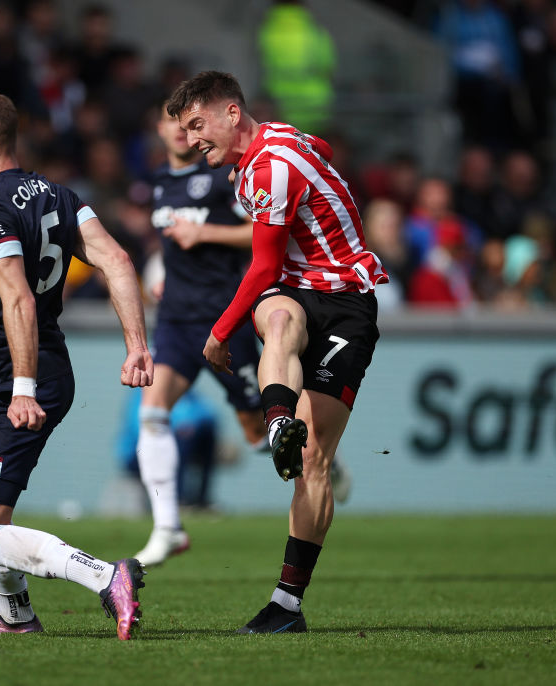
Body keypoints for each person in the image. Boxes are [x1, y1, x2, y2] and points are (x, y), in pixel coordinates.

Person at [166, 71, 387, 633]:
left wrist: (218, 333)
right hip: (296, 292)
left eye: (198, 124)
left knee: (313, 463)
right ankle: (279, 422)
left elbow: (262, 264)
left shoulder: (269, 165)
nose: (192, 140)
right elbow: (324, 149)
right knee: (280, 314)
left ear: (232, 113)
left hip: (347, 305)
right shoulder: (277, 147)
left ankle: (287, 606)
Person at [0, 90, 154, 640]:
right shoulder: (60, 196)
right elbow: (118, 260)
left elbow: (18, 299)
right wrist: (136, 344)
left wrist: (20, 388)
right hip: (43, 369)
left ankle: (107, 576)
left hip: (17, 379)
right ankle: (15, 617)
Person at [132, 103, 264, 566]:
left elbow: (261, 233)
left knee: (258, 431)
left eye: (189, 124)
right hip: (175, 318)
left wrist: (204, 232)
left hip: (225, 319)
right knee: (152, 413)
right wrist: (159, 275)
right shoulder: (157, 182)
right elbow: (168, 243)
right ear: (160, 128)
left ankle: (319, 451)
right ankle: (167, 526)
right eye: (171, 121)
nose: (180, 131)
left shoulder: (222, 177)